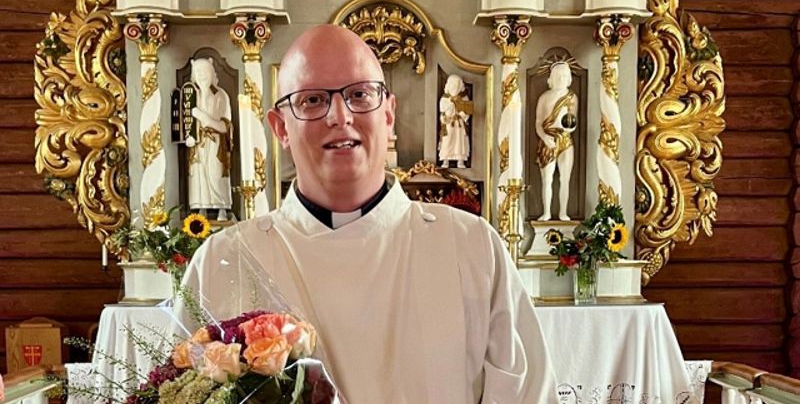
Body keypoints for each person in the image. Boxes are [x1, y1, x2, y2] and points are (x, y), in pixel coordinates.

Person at [180, 25, 557, 403]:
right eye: (312, 100)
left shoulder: (471, 247)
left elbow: (527, 396)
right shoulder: (224, 260)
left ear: (388, 114)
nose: (340, 116)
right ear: (281, 128)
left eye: (359, 94)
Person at [185, 58, 233, 221]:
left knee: (216, 174)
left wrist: (204, 117)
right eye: (198, 72)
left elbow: (225, 125)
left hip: (216, 142)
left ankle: (222, 208)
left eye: (205, 71)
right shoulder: (191, 95)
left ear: (212, 73)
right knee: (199, 175)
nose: (201, 75)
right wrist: (188, 136)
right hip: (198, 143)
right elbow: (186, 121)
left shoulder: (220, 95)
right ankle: (201, 208)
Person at [535, 62, 577, 221]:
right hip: (548, 140)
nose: (561, 79)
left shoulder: (571, 97)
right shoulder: (544, 97)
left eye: (564, 76)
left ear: (569, 79)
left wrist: (569, 127)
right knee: (547, 179)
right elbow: (538, 122)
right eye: (558, 76)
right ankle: (546, 212)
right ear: (551, 79)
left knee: (565, 179)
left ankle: (563, 212)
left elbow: (573, 119)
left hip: (565, 140)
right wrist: (544, 137)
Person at [438, 74, 472, 168]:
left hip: (459, 124)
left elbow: (467, 112)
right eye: (452, 84)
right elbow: (442, 111)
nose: (454, 86)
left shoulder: (464, 98)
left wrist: (461, 112)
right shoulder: (444, 99)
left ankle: (460, 161)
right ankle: (445, 160)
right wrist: (444, 117)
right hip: (449, 123)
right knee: (447, 140)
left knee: (459, 142)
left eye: (456, 84)